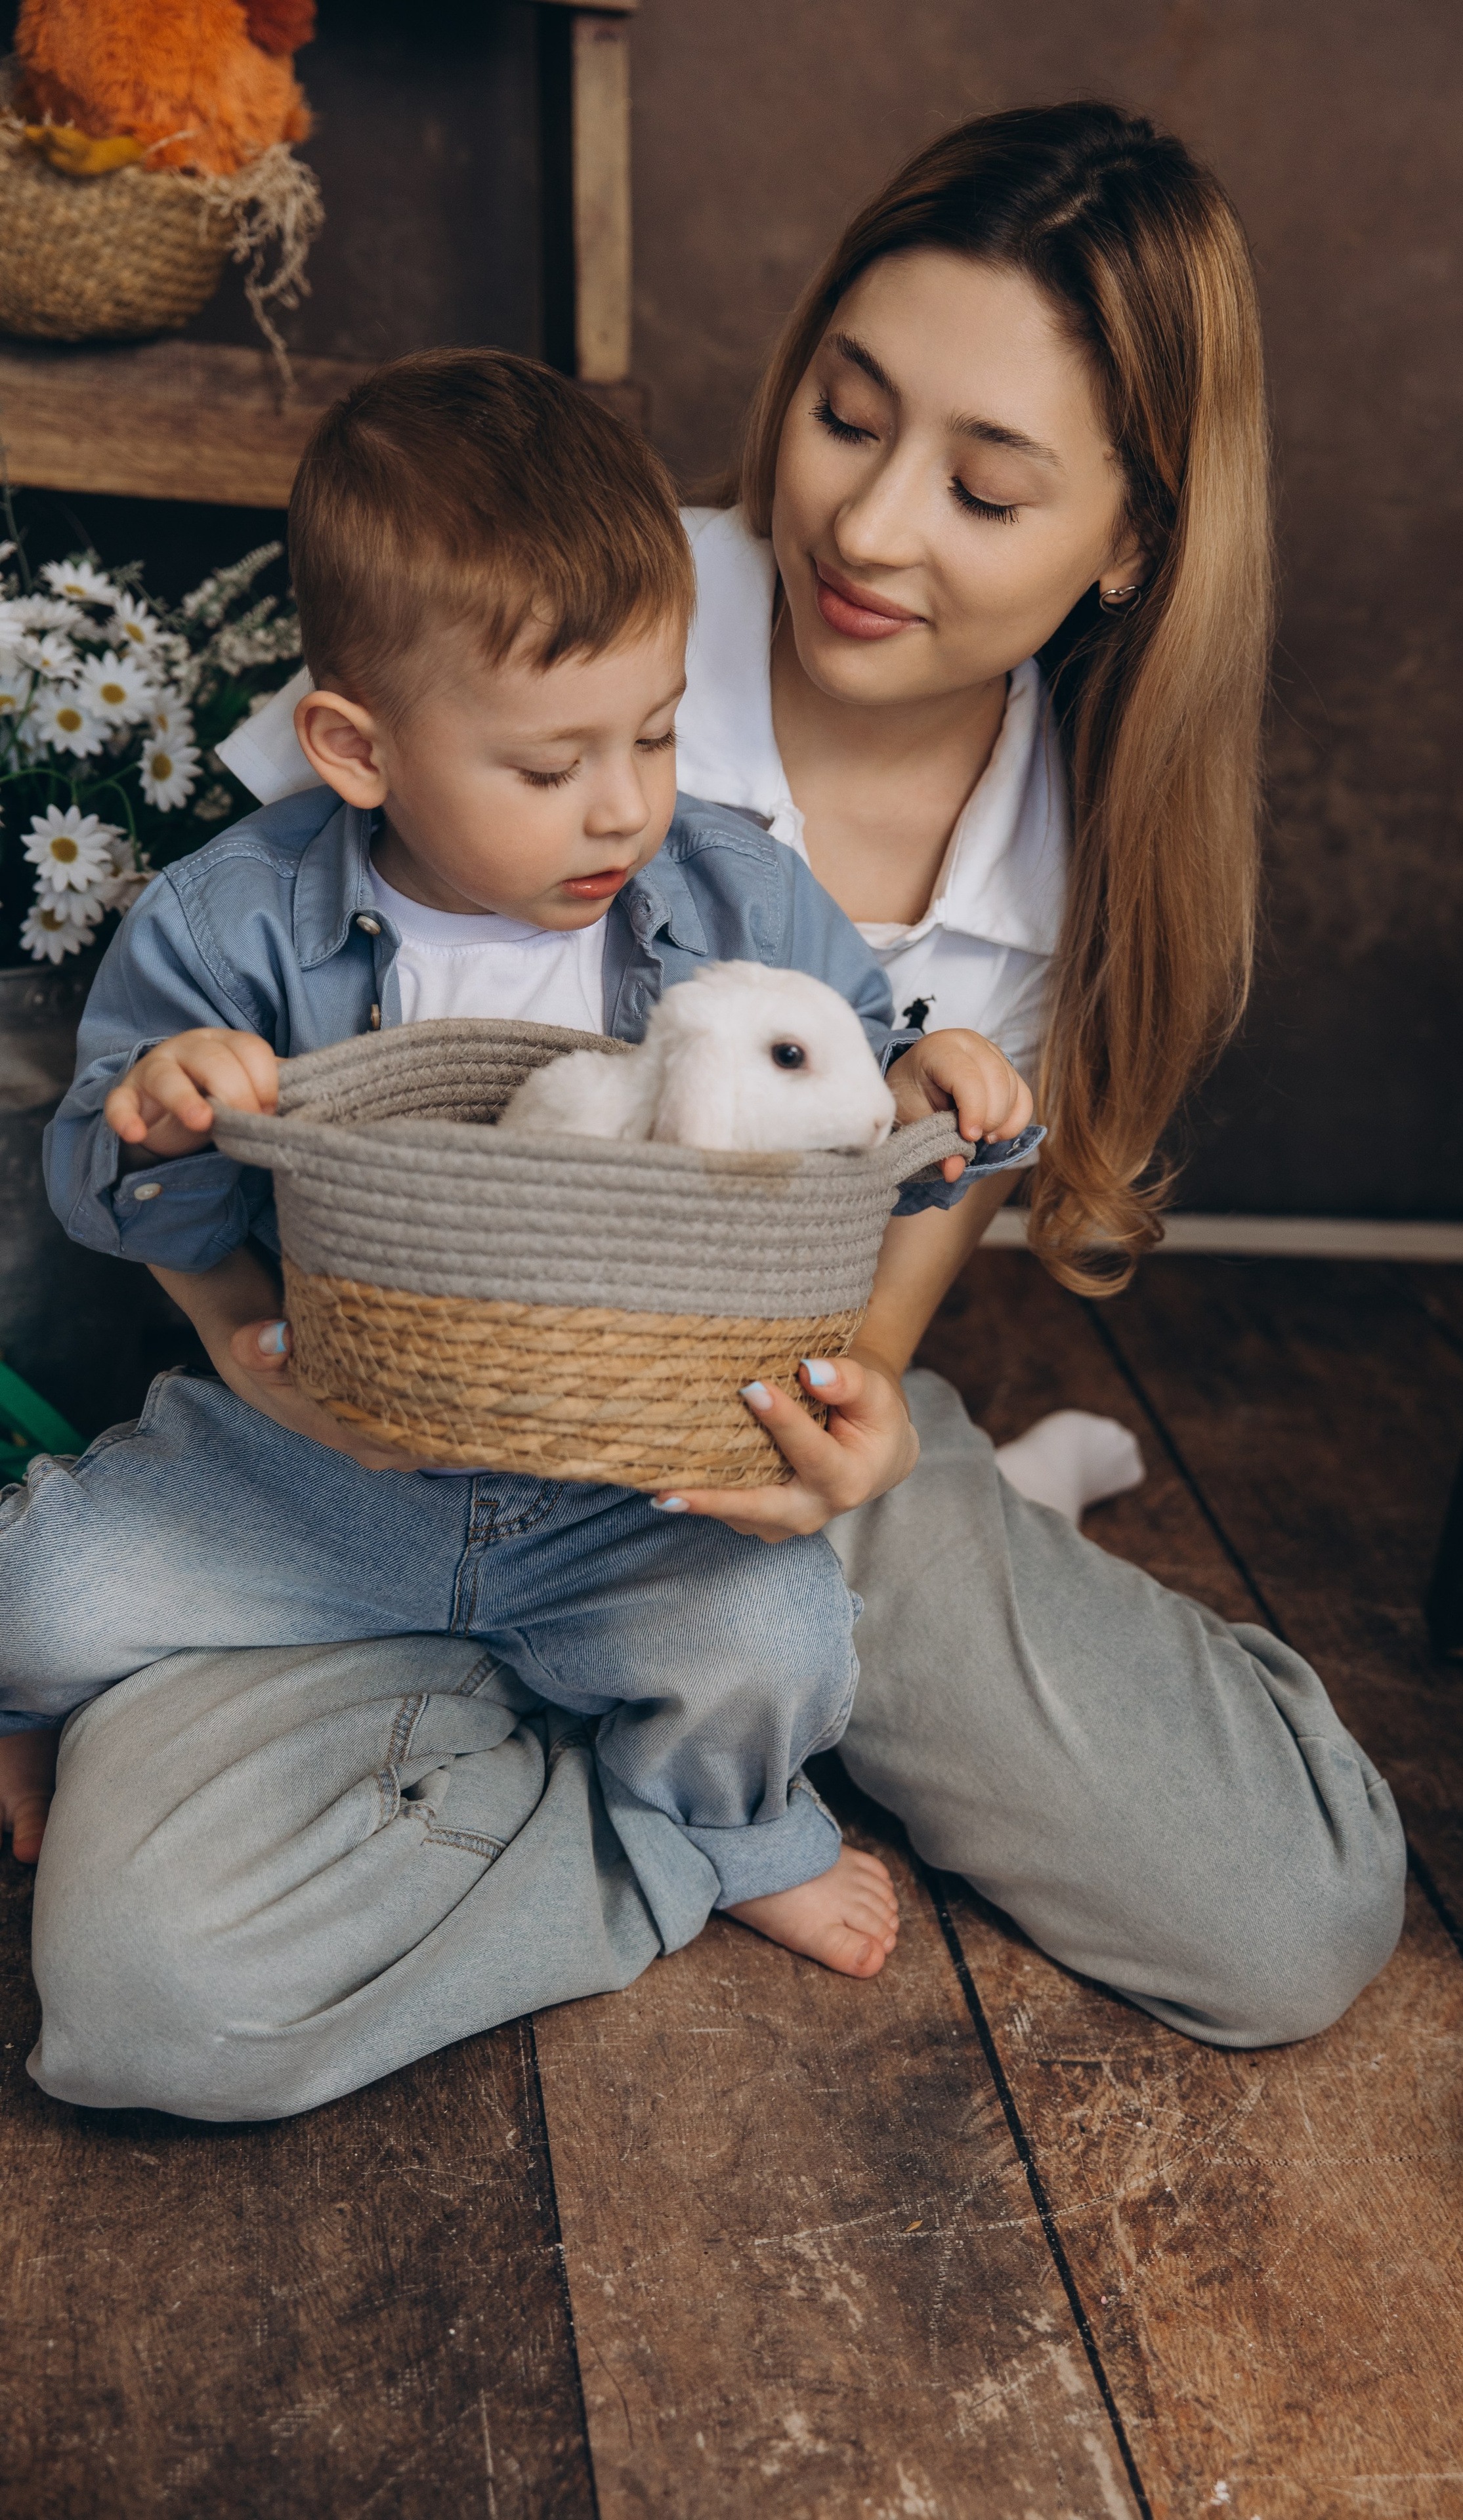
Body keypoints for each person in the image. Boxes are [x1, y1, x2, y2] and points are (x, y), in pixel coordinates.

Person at [6, 103, 1406, 2122]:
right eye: (846, 415)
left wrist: (838, 1452)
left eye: (985, 489)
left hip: (754, 1446)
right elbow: (211, 1058)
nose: (871, 528)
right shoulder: (530, 586)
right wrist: (228, 1349)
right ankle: (677, 1794)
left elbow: (881, 1308)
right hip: (360, 1441)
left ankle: (670, 1759)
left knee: (1291, 1916)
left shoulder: (1071, 844)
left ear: (1130, 543)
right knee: (145, 2008)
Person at [0, 346, 1040, 2015]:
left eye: (655, 733)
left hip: (627, 1487)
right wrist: (164, 1122)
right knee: (36, 1595)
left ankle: (719, 1825)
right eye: (550, 769)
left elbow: (850, 1099)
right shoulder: (229, 922)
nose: (621, 808)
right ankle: (56, 1706)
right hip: (323, 1456)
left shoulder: (730, 892)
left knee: (772, 1643)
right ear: (355, 750)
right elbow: (104, 1186)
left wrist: (940, 1097)